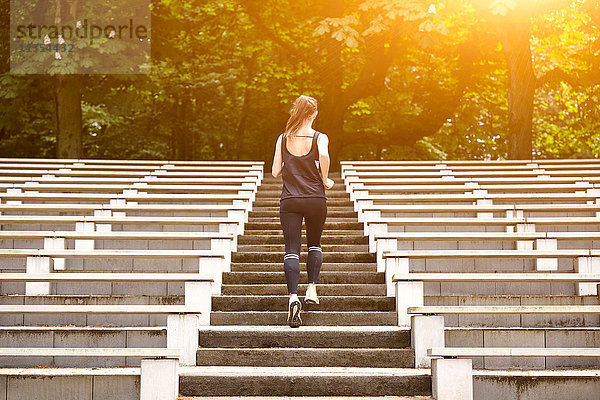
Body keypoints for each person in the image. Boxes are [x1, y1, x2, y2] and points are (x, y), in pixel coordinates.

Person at [271, 95, 334, 328]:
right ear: (314, 113)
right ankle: (311, 289)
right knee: (314, 244)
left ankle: (293, 297)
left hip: (290, 200)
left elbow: (276, 171)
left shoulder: (283, 138)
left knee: (292, 250)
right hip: (315, 198)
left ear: (295, 112)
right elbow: (325, 156)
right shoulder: (320, 137)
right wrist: (325, 179)